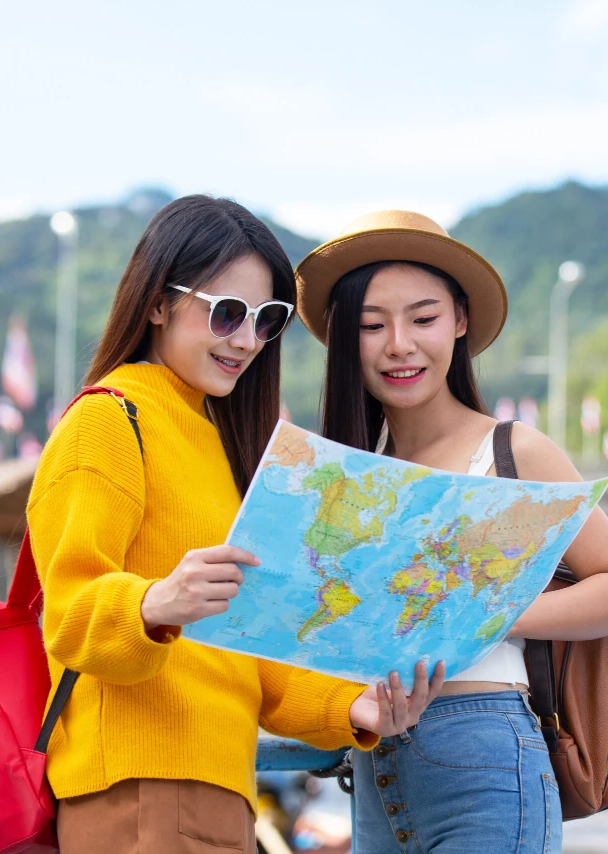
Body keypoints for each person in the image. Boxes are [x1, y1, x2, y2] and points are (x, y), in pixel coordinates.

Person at [26, 196, 445, 854]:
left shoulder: (220, 448)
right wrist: (154, 601)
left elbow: (256, 658)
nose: (247, 339)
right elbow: (69, 617)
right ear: (158, 302)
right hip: (141, 788)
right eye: (226, 312)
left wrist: (353, 709)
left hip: (218, 789)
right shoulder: (110, 420)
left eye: (267, 320)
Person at [295, 210, 608, 853]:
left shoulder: (511, 452)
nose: (398, 344)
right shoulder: (348, 479)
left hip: (485, 753)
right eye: (372, 325)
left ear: (460, 322)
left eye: (423, 318)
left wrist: (484, 610)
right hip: (375, 765)